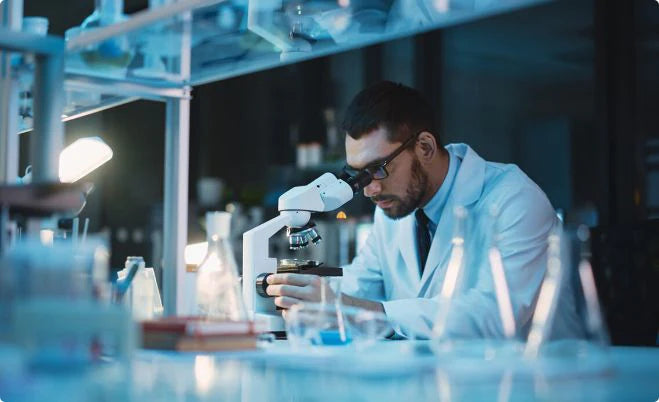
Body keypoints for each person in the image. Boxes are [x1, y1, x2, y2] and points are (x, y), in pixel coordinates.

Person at [265, 81, 582, 339]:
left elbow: (494, 316)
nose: (370, 189)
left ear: (426, 147)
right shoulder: (392, 206)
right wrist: (294, 290)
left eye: (377, 168)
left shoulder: (514, 200)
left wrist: (361, 311)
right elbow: (362, 284)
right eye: (357, 174)